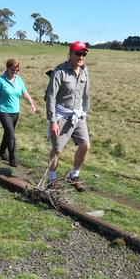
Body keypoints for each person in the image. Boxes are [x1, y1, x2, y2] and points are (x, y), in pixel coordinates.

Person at [44, 41, 91, 191]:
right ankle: (52, 179)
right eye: (78, 53)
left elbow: (87, 94)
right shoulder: (60, 71)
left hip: (78, 116)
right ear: (70, 54)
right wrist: (53, 121)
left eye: (83, 54)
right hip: (62, 115)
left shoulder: (84, 71)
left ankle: (74, 175)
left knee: (85, 145)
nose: (81, 57)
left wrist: (85, 112)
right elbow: (51, 96)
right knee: (57, 149)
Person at [0, 58, 36, 167]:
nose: (14, 72)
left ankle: (1, 152)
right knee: (11, 134)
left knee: (8, 133)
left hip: (15, 111)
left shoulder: (19, 79)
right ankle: (13, 159)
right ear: (7, 68)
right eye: (12, 70)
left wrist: (32, 104)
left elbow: (25, 93)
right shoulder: (1, 80)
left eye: (16, 70)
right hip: (3, 110)